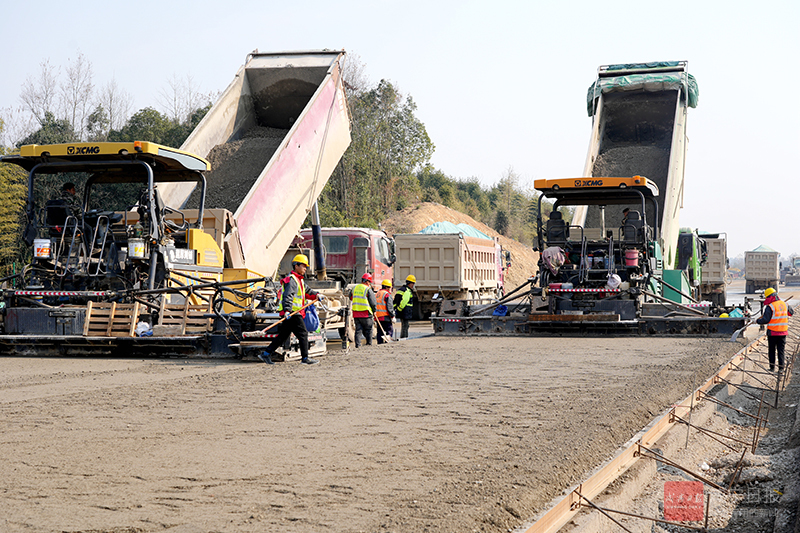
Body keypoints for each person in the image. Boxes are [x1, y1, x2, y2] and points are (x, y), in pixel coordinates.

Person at [258, 254, 323, 365]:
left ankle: (266, 354)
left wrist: (317, 294)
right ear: (296, 266)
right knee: (303, 333)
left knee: (283, 336)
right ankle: (305, 358)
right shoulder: (292, 280)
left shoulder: (299, 280)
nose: (305, 268)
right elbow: (288, 296)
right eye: (303, 266)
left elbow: (308, 292)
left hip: (294, 312)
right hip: (293, 313)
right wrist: (287, 310)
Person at [756, 287, 793, 373]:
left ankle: (772, 368)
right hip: (783, 332)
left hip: (773, 332)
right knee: (781, 351)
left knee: (772, 350)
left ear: (769, 297)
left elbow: (765, 320)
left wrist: (757, 321)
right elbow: (791, 313)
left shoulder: (770, 307)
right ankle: (781, 368)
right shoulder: (785, 304)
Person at [351, 272, 377, 347]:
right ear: (367, 281)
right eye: (369, 282)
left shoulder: (354, 288)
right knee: (369, 330)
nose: (370, 284)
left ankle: (358, 345)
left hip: (356, 313)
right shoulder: (367, 289)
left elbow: (350, 297)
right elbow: (373, 302)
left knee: (358, 330)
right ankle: (369, 344)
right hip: (366, 313)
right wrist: (374, 310)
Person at [394, 275, 416, 339]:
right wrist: (399, 309)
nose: (413, 285)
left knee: (404, 325)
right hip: (405, 311)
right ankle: (404, 338)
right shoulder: (407, 291)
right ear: (409, 283)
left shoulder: (401, 289)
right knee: (405, 326)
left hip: (402, 311)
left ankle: (403, 337)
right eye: (413, 283)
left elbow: (396, 300)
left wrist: (396, 309)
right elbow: (404, 301)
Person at [375, 279, 395, 344]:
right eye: (389, 287)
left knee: (380, 332)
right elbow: (390, 307)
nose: (390, 289)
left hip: (378, 317)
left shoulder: (377, 293)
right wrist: (392, 316)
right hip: (385, 316)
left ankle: (380, 343)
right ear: (386, 287)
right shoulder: (387, 294)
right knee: (389, 330)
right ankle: (387, 343)